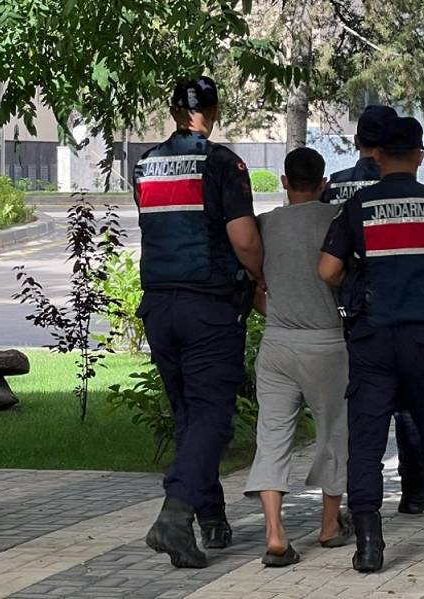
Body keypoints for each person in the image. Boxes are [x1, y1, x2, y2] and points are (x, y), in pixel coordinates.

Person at [318, 116, 424, 573]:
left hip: (373, 341)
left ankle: (368, 543)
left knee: (366, 441)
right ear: (420, 155)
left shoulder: (359, 207)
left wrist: (357, 285)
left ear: (378, 155)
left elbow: (327, 270)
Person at [133, 76, 264, 569]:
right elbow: (245, 239)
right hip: (208, 306)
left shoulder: (145, 164)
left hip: (159, 306)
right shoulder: (223, 163)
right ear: (215, 111)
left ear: (172, 111)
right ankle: (174, 516)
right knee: (212, 415)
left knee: (190, 414)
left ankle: (209, 521)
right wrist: (258, 277)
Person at [244, 147, 353, 567]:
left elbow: (257, 292)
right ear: (324, 183)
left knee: (271, 436)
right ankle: (329, 525)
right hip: (329, 344)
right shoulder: (338, 220)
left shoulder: (265, 226)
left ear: (284, 181)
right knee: (334, 432)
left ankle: (275, 533)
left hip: (277, 344)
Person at [323, 104, 424, 516]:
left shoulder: (333, 187)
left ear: (358, 142)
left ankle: (358, 501)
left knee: (362, 408)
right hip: (401, 310)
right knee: (408, 407)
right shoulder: (407, 191)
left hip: (347, 313)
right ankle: (414, 490)